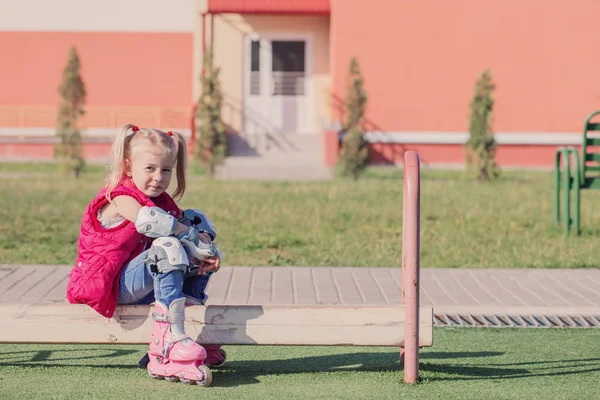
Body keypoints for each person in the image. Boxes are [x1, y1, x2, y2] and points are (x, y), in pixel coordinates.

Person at [66, 124, 224, 386]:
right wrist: (194, 241)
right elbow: (152, 222)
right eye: (149, 168)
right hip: (109, 284)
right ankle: (168, 340)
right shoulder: (119, 195)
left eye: (166, 170)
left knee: (196, 220)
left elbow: (188, 225)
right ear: (128, 167)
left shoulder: (161, 199)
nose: (158, 177)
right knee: (169, 245)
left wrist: (206, 247)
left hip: (137, 281)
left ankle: (191, 321)